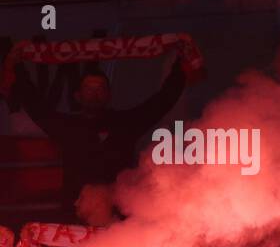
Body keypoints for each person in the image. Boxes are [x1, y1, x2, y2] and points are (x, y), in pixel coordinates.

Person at [11, 60, 188, 211]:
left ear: (108, 95)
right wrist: (17, 66)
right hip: (76, 211)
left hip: (118, 212)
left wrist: (180, 65)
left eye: (100, 88)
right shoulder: (66, 126)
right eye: (89, 88)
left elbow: (161, 102)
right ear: (78, 96)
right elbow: (34, 105)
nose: (95, 93)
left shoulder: (125, 123)